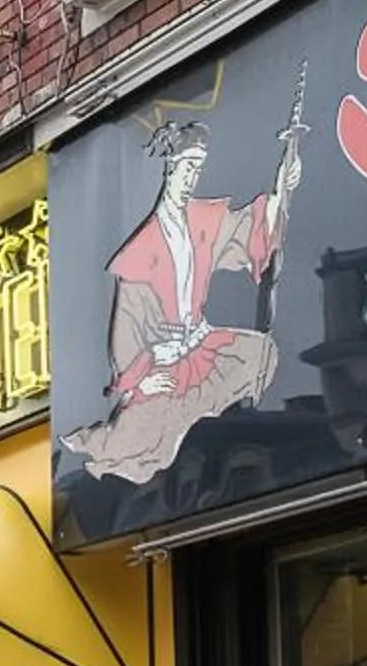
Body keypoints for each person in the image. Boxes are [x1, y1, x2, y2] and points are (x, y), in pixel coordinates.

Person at [63, 116, 299, 486]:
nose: (192, 177)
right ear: (169, 168)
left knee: (261, 355)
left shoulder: (201, 220)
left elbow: (245, 231)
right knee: (146, 447)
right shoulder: (141, 251)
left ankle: (227, 441)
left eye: (198, 168)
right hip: (163, 364)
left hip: (202, 346)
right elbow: (126, 333)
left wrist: (280, 190)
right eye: (187, 167)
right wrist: (140, 383)